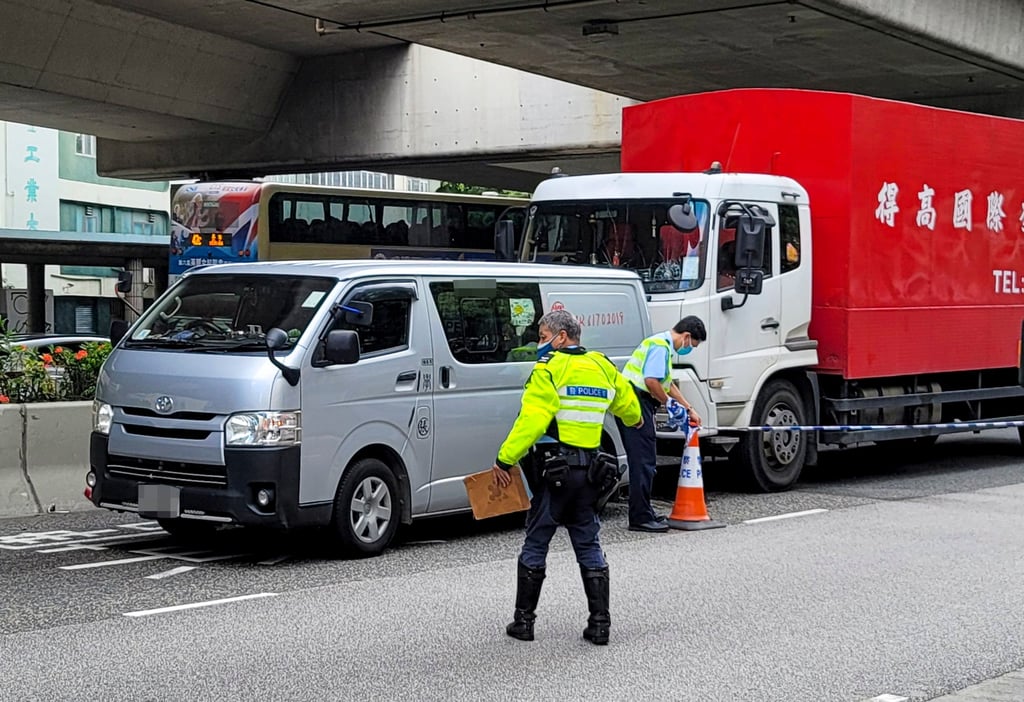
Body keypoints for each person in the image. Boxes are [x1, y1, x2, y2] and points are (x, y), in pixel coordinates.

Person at [491, 310, 642, 646]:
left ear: (561, 337)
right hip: (591, 473)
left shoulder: (549, 369)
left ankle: (524, 622)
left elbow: (532, 420)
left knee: (537, 540)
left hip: (554, 471)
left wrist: (505, 459)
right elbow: (629, 409)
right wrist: (635, 422)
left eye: (543, 337)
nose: (539, 344)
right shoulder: (602, 366)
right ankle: (600, 624)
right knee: (588, 542)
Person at [618, 316, 708, 533]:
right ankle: (640, 518)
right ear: (686, 336)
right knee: (644, 462)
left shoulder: (660, 344)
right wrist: (668, 404)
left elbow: (666, 384)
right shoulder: (660, 346)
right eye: (692, 345)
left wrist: (688, 408)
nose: (689, 349)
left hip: (635, 404)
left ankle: (644, 512)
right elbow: (651, 381)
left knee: (645, 460)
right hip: (636, 405)